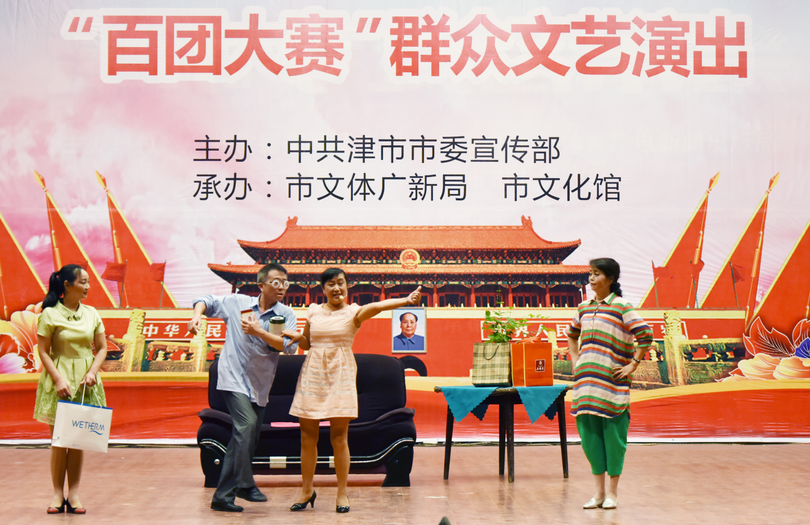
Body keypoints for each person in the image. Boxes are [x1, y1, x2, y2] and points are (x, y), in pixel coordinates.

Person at [284, 268, 421, 513]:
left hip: (340, 374)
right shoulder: (313, 311)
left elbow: (378, 306)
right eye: (331, 284)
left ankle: (342, 493)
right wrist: (296, 337)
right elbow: (308, 342)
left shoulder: (353, 313)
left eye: (341, 283)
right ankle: (306, 490)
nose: (336, 288)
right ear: (323, 288)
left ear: (347, 286)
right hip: (313, 374)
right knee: (307, 437)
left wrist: (406, 301)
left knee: (339, 437)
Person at [188, 262, 299, 513]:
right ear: (261, 285)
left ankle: (227, 494)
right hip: (233, 377)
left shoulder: (286, 314)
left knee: (248, 436)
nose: (282, 287)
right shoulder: (239, 304)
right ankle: (241, 486)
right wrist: (196, 316)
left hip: (260, 384)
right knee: (246, 426)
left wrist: (260, 332)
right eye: (276, 282)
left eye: (285, 283)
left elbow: (288, 347)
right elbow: (206, 300)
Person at [566, 258, 653, 510]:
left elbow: (645, 334)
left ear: (611, 278)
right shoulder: (583, 307)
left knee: (614, 440)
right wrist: (576, 361)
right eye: (590, 273)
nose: (591, 278)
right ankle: (598, 494)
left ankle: (612, 494)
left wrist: (633, 364)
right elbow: (571, 334)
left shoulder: (621, 306)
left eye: (597, 274)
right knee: (590, 439)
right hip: (585, 383)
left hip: (612, 384)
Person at [34, 264, 108, 515]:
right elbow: (43, 351)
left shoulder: (92, 313)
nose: (87, 287)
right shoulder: (49, 314)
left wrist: (92, 372)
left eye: (88, 282)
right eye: (82, 282)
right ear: (67, 285)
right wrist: (57, 379)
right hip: (59, 380)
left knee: (77, 440)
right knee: (59, 440)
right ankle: (57, 494)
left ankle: (74, 494)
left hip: (85, 383)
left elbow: (102, 348)